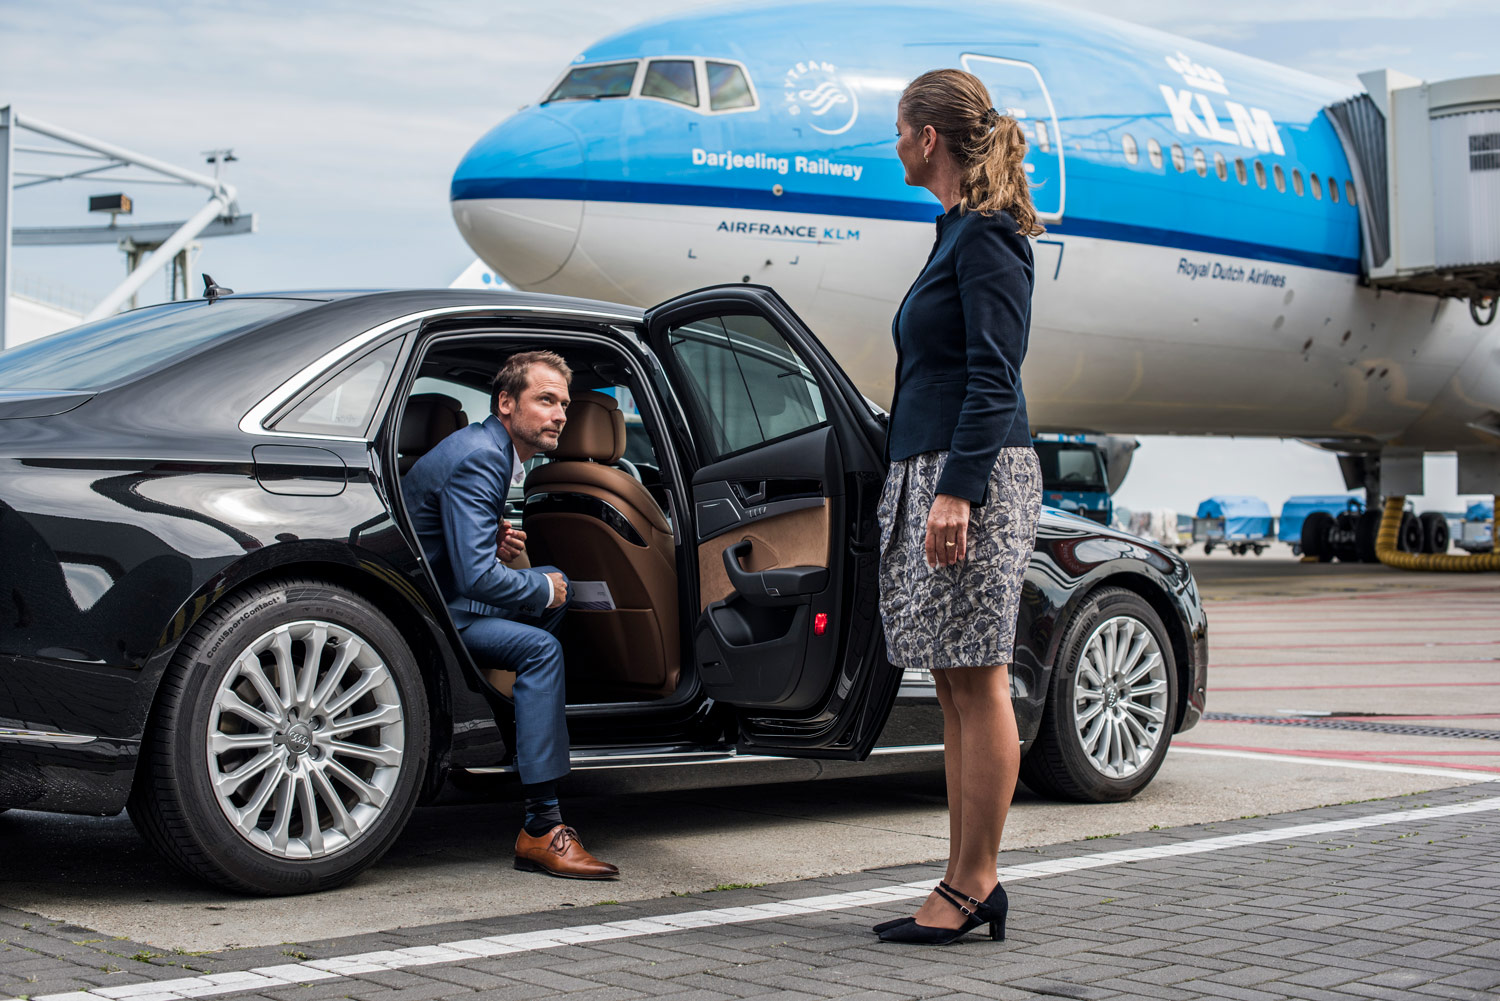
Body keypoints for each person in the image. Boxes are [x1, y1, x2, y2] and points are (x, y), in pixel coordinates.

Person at [874, 69, 1045, 945]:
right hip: (933, 471)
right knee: (949, 682)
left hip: (970, 476)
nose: (893, 144)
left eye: (898, 130)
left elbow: (994, 376)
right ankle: (959, 875)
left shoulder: (987, 238)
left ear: (927, 138)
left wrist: (956, 491)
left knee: (977, 680)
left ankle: (975, 882)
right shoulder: (951, 235)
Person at [403, 350, 619, 880]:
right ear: (506, 403)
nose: (561, 414)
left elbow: (451, 549)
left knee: (553, 590)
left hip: (435, 599)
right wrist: (540, 586)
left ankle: (517, 735)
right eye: (545, 400)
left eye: (564, 403)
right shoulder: (483, 456)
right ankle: (543, 827)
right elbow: (477, 581)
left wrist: (494, 547)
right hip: (438, 616)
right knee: (542, 643)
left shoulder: (481, 446)